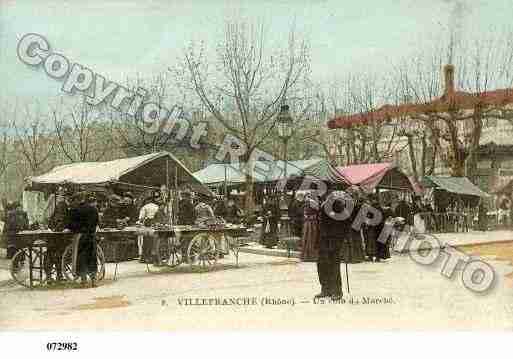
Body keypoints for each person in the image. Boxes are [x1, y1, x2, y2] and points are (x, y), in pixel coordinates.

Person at [316, 190, 350, 300]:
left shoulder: (338, 205)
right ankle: (325, 289)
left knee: (334, 265)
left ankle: (337, 291)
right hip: (323, 240)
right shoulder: (323, 204)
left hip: (334, 240)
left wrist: (343, 238)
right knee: (322, 265)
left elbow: (345, 222)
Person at [68, 192, 99, 288]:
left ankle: (84, 281)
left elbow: (71, 225)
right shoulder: (93, 209)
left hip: (81, 236)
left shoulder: (74, 210)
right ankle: (94, 281)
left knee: (82, 257)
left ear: (77, 200)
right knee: (92, 256)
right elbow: (97, 222)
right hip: (91, 236)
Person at [137, 195, 160, 263]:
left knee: (146, 241)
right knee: (155, 241)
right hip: (156, 225)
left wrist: (139, 222)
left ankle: (145, 257)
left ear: (147, 201)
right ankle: (154, 257)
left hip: (148, 225)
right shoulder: (157, 206)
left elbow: (141, 218)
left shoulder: (145, 207)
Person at [301, 192, 320, 262]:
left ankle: (307, 255)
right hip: (311, 222)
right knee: (311, 237)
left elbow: (305, 213)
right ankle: (310, 255)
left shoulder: (307, 202)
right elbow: (317, 209)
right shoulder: (312, 202)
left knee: (308, 238)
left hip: (308, 222)